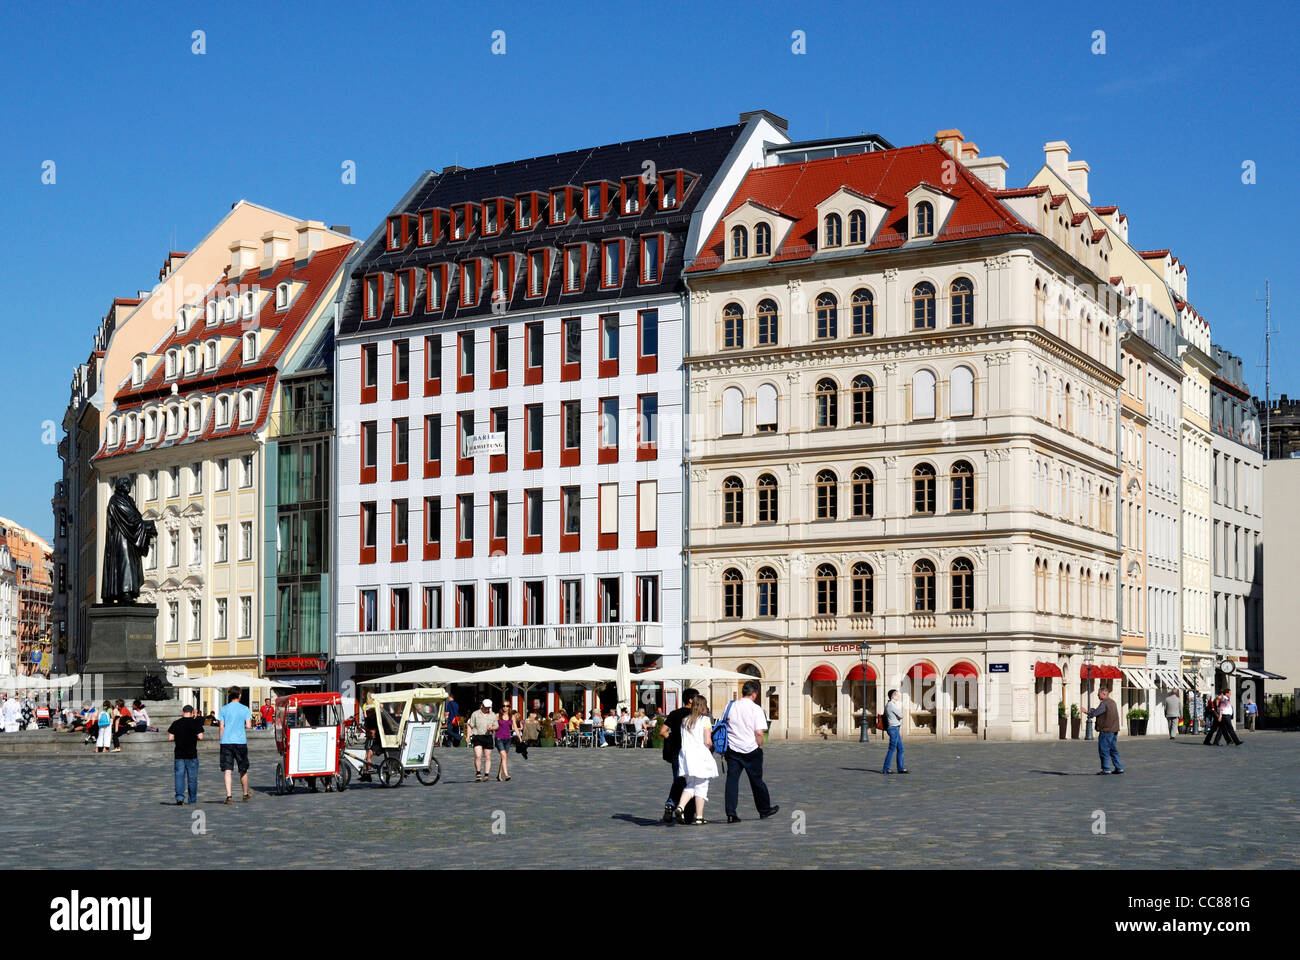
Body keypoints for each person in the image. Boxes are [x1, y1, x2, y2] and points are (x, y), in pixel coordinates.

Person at [724, 679, 780, 822]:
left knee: (732, 781)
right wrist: (760, 746)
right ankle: (764, 810)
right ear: (754, 694)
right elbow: (759, 733)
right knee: (756, 781)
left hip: (733, 749)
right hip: (751, 749)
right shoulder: (756, 709)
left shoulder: (730, 706)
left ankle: (731, 813)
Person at [674, 696, 718, 824]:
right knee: (702, 785)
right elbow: (707, 741)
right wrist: (712, 746)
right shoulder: (705, 720)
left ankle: (681, 806)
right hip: (700, 754)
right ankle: (699, 816)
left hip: (686, 755)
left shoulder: (685, 720)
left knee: (691, 784)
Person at [660, 688, 700, 823]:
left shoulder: (674, 713)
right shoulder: (695, 715)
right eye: (697, 697)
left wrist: (672, 741)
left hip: (677, 752)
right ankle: (686, 813)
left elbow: (663, 731)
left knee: (678, 779)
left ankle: (672, 806)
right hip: (692, 752)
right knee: (692, 782)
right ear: (690, 699)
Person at [218, 686, 253, 803]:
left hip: (226, 741)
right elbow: (248, 725)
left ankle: (229, 795)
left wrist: (221, 740)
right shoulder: (245, 709)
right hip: (240, 741)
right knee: (243, 769)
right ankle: (245, 793)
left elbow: (221, 727)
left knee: (227, 770)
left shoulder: (223, 709)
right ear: (239, 695)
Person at [167, 704, 205, 805]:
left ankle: (179, 797)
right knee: (192, 778)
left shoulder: (176, 723)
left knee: (179, 776)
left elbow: (170, 738)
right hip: (192, 754)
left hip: (179, 754)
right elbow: (201, 737)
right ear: (192, 713)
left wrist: (179, 737)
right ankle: (192, 799)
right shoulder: (196, 723)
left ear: (182, 712)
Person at [1086, 687, 1123, 774]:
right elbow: (1103, 712)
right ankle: (1119, 767)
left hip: (1106, 730)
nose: (1098, 696)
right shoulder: (1112, 702)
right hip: (1114, 729)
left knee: (1104, 749)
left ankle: (1106, 769)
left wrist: (1086, 712)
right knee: (1113, 749)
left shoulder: (1104, 703)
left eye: (1099, 694)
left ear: (1104, 694)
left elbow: (1095, 714)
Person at [466, 698, 498, 782]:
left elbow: (496, 726)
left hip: (488, 736)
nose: (487, 709)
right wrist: (468, 736)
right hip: (477, 736)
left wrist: (492, 728)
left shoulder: (493, 715)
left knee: (487, 756)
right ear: (482, 706)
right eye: (486, 707)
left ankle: (486, 774)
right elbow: (470, 725)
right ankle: (478, 773)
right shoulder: (475, 714)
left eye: (489, 707)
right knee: (478, 755)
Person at [881, 688, 907, 774]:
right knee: (892, 749)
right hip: (893, 729)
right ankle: (886, 769)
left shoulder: (892, 704)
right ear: (893, 696)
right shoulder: (891, 705)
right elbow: (901, 715)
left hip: (895, 728)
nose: (898, 695)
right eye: (897, 694)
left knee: (901, 748)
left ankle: (900, 768)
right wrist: (898, 716)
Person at [494, 706, 516, 781]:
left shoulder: (511, 716)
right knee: (504, 756)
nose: (505, 707)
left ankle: (499, 775)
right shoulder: (498, 715)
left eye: (507, 706)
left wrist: (520, 738)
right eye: (504, 706)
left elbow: (514, 727)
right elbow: (493, 724)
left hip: (507, 739)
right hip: (499, 738)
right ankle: (506, 774)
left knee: (504, 757)